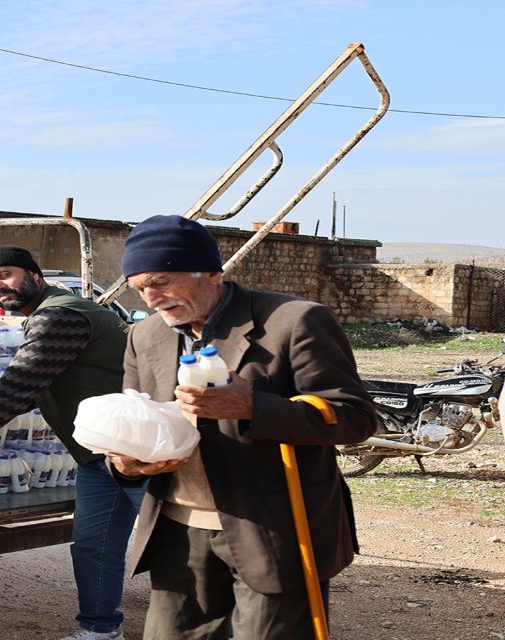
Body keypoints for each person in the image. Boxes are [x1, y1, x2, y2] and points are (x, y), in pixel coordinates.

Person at [108, 214, 378, 639]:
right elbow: (132, 420)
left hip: (274, 527)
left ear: (212, 272)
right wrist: (124, 461)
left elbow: (354, 417)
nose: (150, 299)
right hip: (178, 531)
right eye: (139, 288)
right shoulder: (145, 337)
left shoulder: (295, 321)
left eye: (160, 282)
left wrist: (253, 405)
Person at [0, 245, 144, 640]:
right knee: (95, 546)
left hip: (143, 453)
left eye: (4, 274)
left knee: (177, 545)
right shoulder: (50, 314)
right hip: (99, 455)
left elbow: (22, 379)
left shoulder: (59, 314)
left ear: (35, 276)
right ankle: (100, 630)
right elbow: (36, 381)